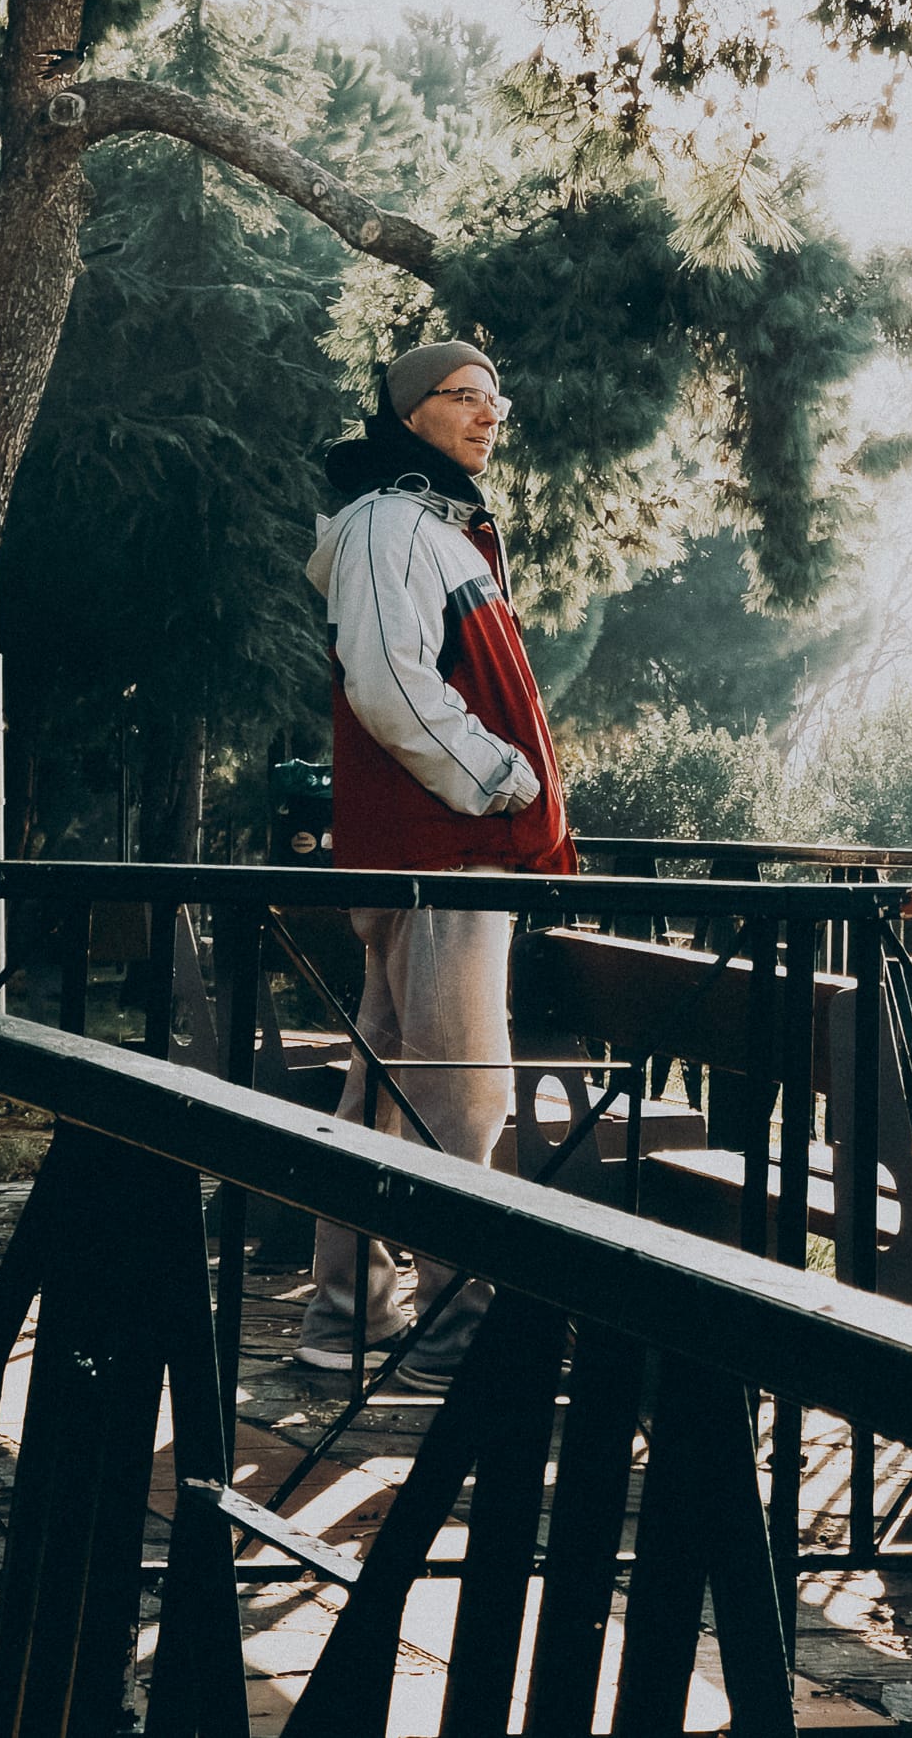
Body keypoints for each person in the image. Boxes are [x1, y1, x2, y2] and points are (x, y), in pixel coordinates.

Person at [295, 338, 576, 1382]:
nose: (488, 414)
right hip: (443, 853)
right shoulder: (389, 525)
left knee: (380, 1097)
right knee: (462, 1101)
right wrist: (508, 781)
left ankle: (348, 1320)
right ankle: (453, 1338)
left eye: (497, 400)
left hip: (432, 852)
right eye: (465, 397)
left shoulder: (431, 527)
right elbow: (388, 682)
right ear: (409, 412)